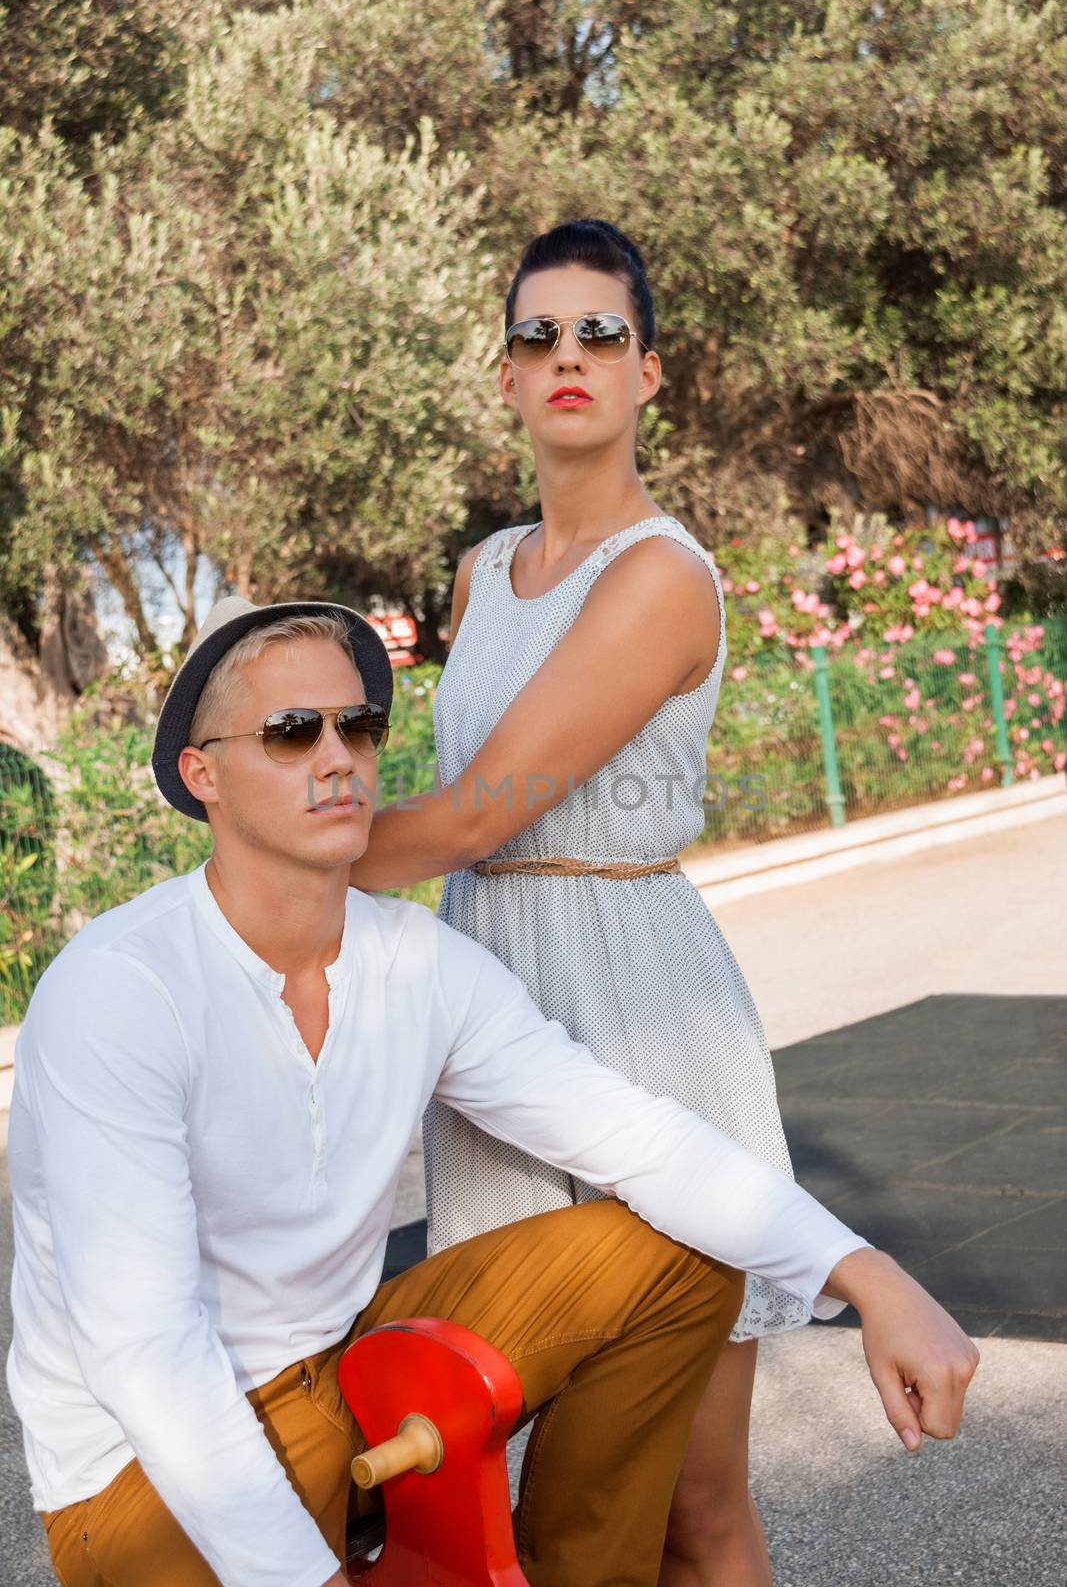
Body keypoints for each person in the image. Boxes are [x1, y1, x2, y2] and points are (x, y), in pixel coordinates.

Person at [6, 597, 978, 1587]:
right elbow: (146, 1352)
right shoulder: (121, 989)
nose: (337, 756)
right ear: (201, 774)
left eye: (359, 725)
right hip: (139, 1468)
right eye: (292, 732)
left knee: (674, 1252)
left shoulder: (416, 961)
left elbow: (635, 1136)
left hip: (336, 1380)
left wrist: (868, 1276)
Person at [340, 218, 944, 1585]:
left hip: (637, 1007)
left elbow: (474, 815)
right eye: (536, 335)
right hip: (493, 1008)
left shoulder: (662, 575)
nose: (568, 358)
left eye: (598, 335)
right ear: (502, 377)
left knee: (690, 1502)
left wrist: (259, 864)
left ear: (646, 375)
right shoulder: (481, 573)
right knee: (533, 1484)